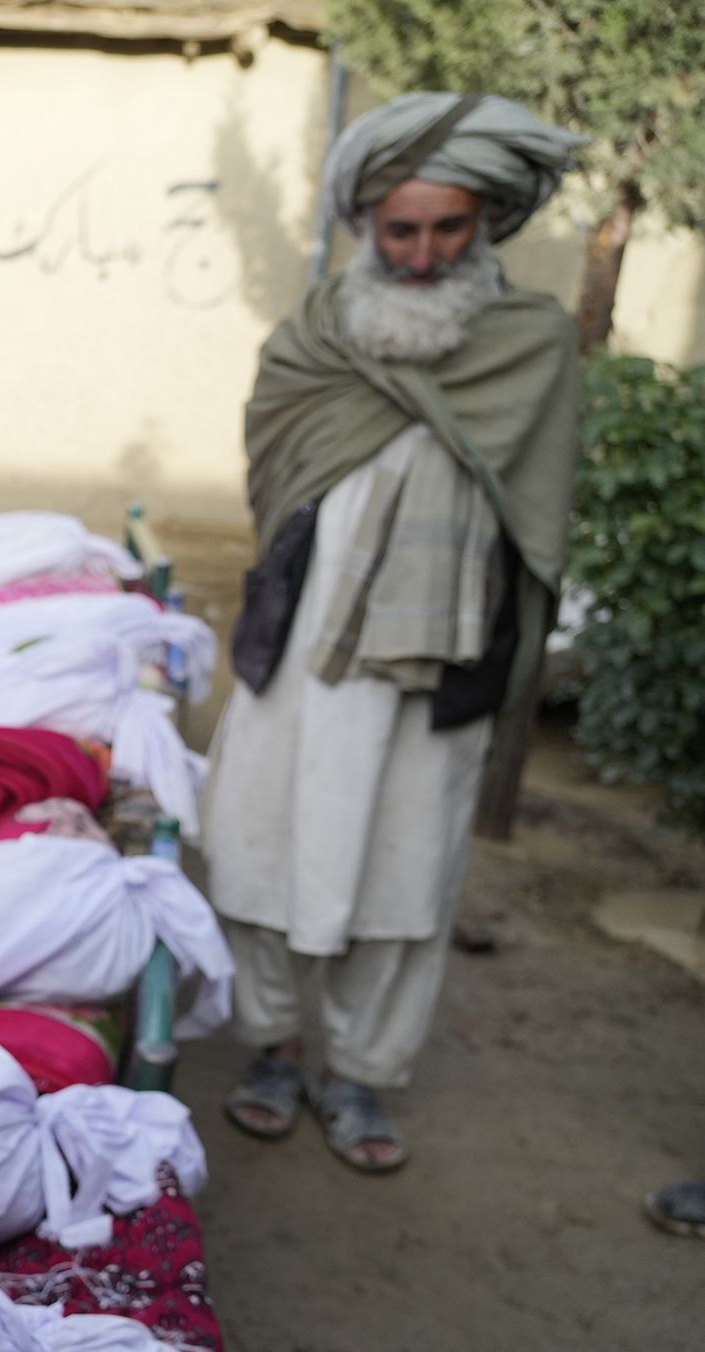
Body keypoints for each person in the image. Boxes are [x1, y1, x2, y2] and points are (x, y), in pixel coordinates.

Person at [204, 92, 585, 1173]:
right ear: (364, 224)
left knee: (404, 870)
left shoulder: (530, 343)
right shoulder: (313, 335)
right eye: (399, 229)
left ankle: (362, 1074)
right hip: (305, 644)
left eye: (447, 228)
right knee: (259, 843)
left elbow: (538, 517)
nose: (421, 254)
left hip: (440, 658)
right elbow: (274, 466)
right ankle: (273, 1045)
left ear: (486, 224)